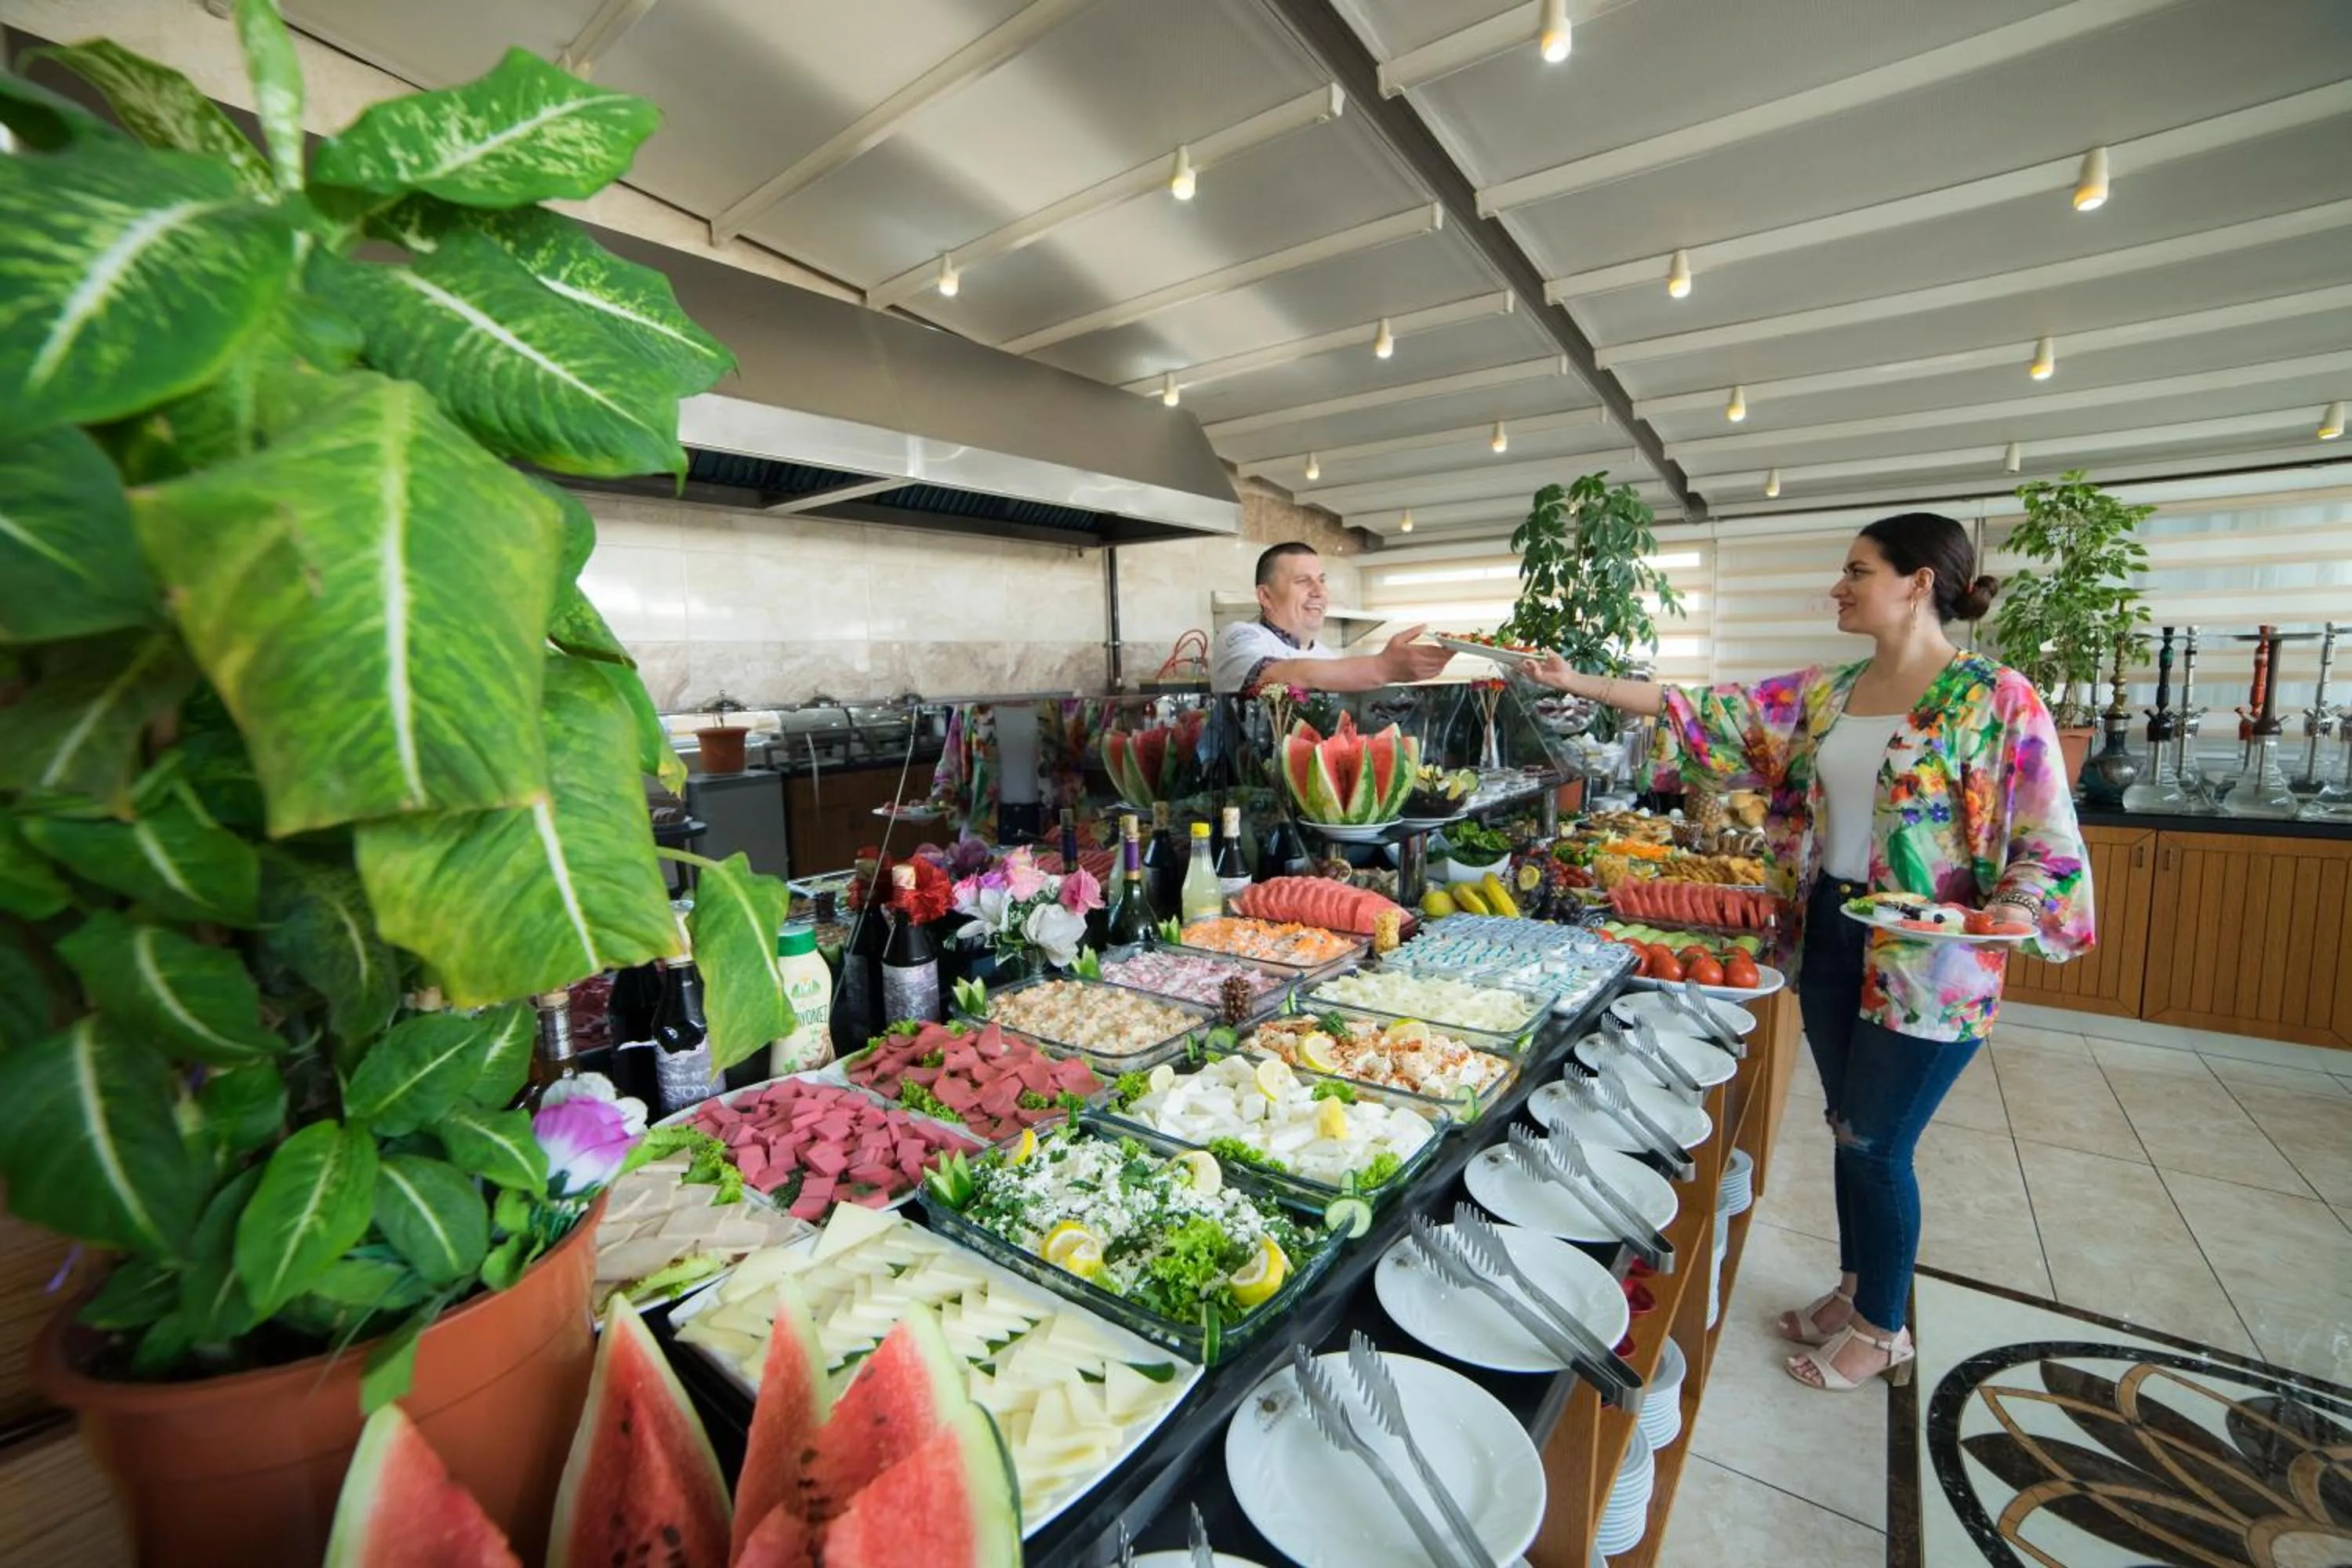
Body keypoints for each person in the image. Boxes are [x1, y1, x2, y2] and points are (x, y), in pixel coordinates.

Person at [1526, 513, 2093, 1392]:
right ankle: (1857, 1284)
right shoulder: (1831, 694)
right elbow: (1707, 709)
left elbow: (2047, 833)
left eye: (1857, 570)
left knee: (1878, 1143)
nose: (1839, 584)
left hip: (1931, 954)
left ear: (1917, 582)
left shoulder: (1996, 696)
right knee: (1845, 1124)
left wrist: (2015, 902)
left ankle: (1885, 1325)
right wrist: (1579, 682)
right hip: (1828, 928)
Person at [1210, 542, 1452, 696]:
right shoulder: (1239, 635)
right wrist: (1383, 667)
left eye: (1322, 580)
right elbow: (1272, 678)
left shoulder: (1327, 657)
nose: (1319, 591)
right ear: (1265, 595)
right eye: (1303, 581)